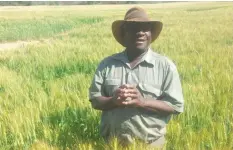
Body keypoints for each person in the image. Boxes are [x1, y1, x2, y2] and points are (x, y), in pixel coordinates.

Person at [89, 7, 184, 148]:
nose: (140, 33)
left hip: (151, 145)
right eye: (134, 28)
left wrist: (142, 102)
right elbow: (95, 100)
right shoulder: (107, 64)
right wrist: (114, 101)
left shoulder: (165, 66)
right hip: (113, 144)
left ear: (150, 33)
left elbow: (175, 106)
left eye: (145, 28)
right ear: (124, 33)